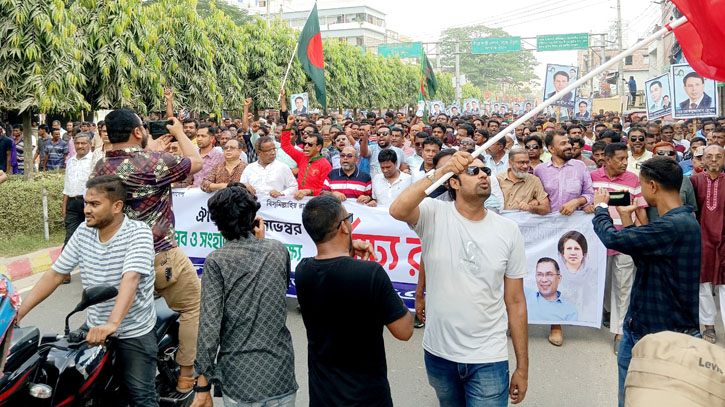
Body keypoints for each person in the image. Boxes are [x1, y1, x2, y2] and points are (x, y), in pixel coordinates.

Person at [389, 151, 528, 406]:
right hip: (439, 353)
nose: (483, 174)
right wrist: (441, 171)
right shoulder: (434, 213)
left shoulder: (509, 231)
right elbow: (397, 209)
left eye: (484, 170)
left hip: (489, 356)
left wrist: (522, 366)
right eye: (472, 171)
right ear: (454, 182)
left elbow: (516, 302)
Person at [17, 175, 159, 406]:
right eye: (85, 203)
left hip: (132, 330)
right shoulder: (84, 231)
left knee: (141, 398)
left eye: (94, 204)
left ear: (116, 206)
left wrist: (112, 324)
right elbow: (54, 274)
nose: (86, 210)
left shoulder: (138, 233)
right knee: (70, 383)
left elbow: (130, 279)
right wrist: (19, 313)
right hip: (95, 325)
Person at [93, 108, 202, 393]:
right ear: (138, 132)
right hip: (160, 253)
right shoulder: (154, 162)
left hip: (118, 259)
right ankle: (186, 375)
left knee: (123, 316)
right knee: (192, 305)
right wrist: (178, 132)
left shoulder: (100, 168)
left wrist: (149, 148)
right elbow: (197, 162)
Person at [592, 157, 701, 407]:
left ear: (653, 186)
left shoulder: (672, 226)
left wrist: (600, 208)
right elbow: (646, 258)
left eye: (642, 186)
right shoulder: (680, 222)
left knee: (639, 399)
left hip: (658, 336)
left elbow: (611, 238)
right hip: (649, 327)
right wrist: (626, 218)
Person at [296, 195, 413, 406]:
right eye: (348, 218)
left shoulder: (303, 271)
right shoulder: (370, 274)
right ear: (343, 227)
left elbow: (332, 267)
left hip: (323, 396)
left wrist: (349, 249)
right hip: (366, 397)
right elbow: (404, 330)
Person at [193, 184, 298, 407]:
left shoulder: (217, 261)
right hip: (280, 375)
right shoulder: (277, 249)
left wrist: (202, 386)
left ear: (218, 224)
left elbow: (210, 326)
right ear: (253, 217)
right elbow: (275, 289)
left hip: (240, 379)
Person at [534, 130, 593, 346]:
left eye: (569, 142)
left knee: (569, 273)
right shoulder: (539, 170)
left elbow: (590, 193)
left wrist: (578, 202)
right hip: (546, 230)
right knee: (549, 272)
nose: (569, 145)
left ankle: (573, 313)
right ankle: (554, 324)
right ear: (551, 149)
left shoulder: (580, 167)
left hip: (574, 230)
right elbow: (535, 197)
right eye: (563, 143)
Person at [589, 143, 648, 352]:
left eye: (626, 158)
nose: (625, 163)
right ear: (606, 159)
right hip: (598, 241)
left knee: (624, 286)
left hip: (625, 239)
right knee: (603, 283)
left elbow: (641, 210)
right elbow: (585, 204)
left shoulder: (633, 179)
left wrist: (643, 236)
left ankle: (620, 332)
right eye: (620, 159)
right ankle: (605, 311)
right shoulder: (592, 177)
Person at [690, 145, 725, 345]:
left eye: (718, 156)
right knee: (703, 283)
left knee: (724, 285)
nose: (713, 160)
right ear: (702, 159)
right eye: (709, 156)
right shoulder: (693, 181)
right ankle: (708, 324)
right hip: (701, 240)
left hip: (724, 241)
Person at [62, 133, 93, 273]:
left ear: (89, 144)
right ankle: (64, 271)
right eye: (78, 143)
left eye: (83, 143)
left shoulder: (94, 161)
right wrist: (64, 206)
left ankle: (92, 270)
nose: (80, 146)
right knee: (70, 236)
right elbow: (67, 186)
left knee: (93, 236)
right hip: (73, 204)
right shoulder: (70, 161)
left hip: (90, 204)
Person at [281, 115, 331, 200]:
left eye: (310, 144)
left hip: (316, 202)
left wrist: (308, 191)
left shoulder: (325, 165)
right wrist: (289, 125)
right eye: (305, 143)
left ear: (319, 147)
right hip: (299, 200)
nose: (306, 146)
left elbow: (324, 190)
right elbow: (285, 146)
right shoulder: (302, 156)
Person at [647, 142, 697, 222]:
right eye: (661, 153)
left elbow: (692, 210)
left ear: (674, 157)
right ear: (653, 156)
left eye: (670, 153)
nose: (666, 156)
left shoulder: (684, 180)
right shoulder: (646, 179)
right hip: (652, 229)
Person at [496, 148, 550, 214]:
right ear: (510, 163)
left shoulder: (534, 181)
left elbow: (546, 208)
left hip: (523, 222)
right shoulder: (498, 179)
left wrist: (530, 207)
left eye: (527, 162)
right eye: (521, 163)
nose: (525, 166)